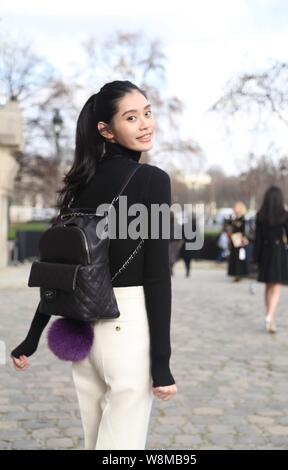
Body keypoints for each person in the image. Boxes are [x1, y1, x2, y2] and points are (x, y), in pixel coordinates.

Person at [10, 80, 177, 450]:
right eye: (131, 118)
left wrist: (33, 337)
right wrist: (161, 363)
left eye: (147, 113)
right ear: (106, 130)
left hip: (82, 329)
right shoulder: (153, 181)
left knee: (96, 444)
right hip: (128, 329)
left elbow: (61, 267)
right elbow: (157, 276)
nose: (145, 124)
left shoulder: (79, 182)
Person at [253, 186, 288, 333]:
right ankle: (270, 316)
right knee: (276, 287)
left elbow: (257, 240)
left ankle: (269, 317)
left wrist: (256, 258)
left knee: (268, 287)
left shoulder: (261, 215)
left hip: (266, 253)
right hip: (278, 253)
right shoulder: (283, 215)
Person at [226, 202, 250, 282]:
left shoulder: (243, 218)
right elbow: (228, 225)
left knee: (240, 258)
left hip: (240, 241)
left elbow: (245, 230)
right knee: (234, 258)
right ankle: (235, 273)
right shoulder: (233, 217)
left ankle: (239, 274)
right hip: (233, 240)